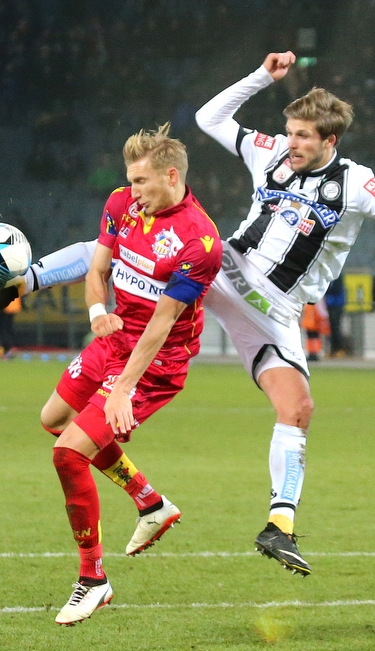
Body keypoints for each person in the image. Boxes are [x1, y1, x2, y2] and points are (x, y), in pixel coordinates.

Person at [0, 52, 375, 578]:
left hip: (277, 312)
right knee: (120, 245)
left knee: (298, 408)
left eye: (304, 137)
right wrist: (261, 77)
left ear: (329, 141)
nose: (291, 144)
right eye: (289, 133)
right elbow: (209, 118)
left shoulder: (357, 183)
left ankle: (278, 526)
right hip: (225, 271)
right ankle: (24, 280)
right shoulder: (269, 153)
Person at [42, 124, 222, 625]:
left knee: (67, 455)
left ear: (171, 176)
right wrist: (98, 311)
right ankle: (150, 501)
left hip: (154, 364)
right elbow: (97, 270)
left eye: (141, 181)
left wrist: (122, 389)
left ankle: (93, 579)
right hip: (114, 339)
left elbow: (162, 326)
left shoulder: (199, 242)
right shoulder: (122, 203)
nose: (132, 191)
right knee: (54, 419)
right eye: (129, 180)